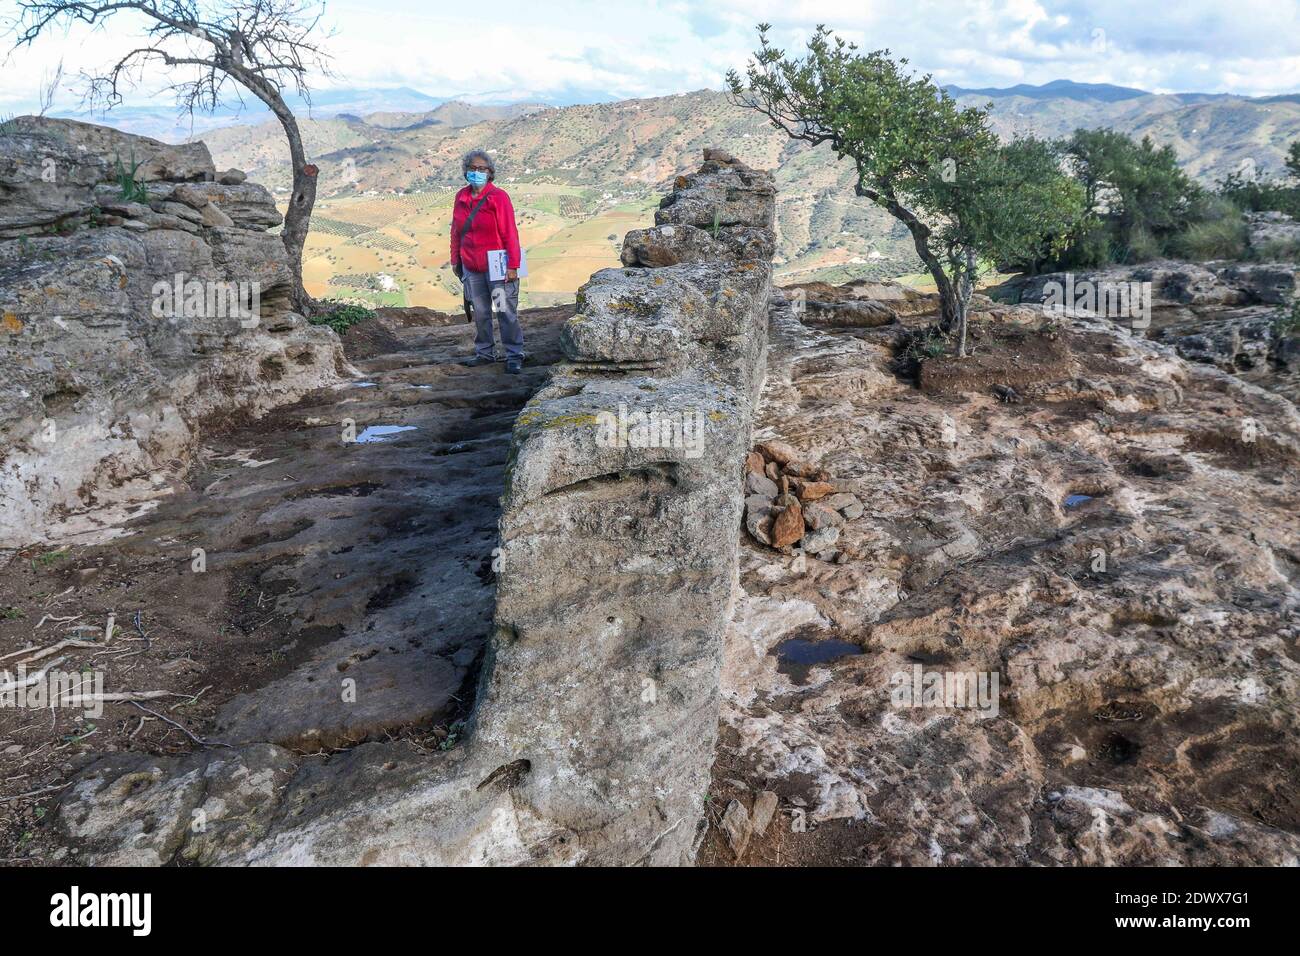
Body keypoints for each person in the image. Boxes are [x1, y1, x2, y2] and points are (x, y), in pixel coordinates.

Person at [450, 149, 524, 373]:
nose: (476, 172)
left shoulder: (498, 197)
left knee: (503, 310)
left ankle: (514, 354)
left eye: (482, 169)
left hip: (497, 268)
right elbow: (456, 231)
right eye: (472, 168)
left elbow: (509, 232)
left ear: (490, 173)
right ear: (465, 172)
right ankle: (485, 353)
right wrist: (456, 259)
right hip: (472, 267)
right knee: (480, 312)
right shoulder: (461, 197)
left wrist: (513, 265)